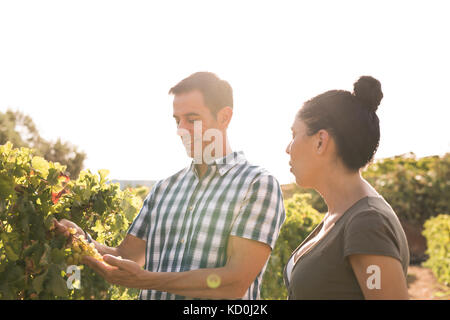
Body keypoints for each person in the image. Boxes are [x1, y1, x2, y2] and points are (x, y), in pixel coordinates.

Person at [54, 71, 285, 300]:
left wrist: (147, 280)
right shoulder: (164, 189)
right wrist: (80, 238)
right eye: (177, 120)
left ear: (224, 118)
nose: (181, 130)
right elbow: (127, 257)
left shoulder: (257, 185)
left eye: (192, 120)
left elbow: (234, 283)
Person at [284, 76, 410, 299]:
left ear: (320, 141)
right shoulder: (342, 214)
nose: (287, 148)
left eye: (294, 135)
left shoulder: (367, 222)